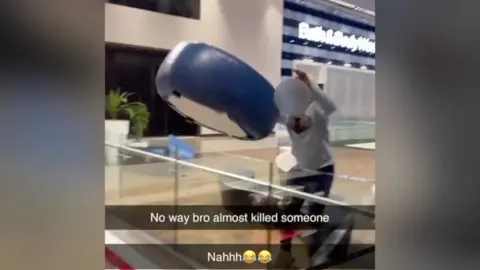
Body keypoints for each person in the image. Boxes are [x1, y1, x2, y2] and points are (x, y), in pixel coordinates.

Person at [271, 69, 337, 269]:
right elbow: (270, 115)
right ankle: (285, 252)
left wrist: (310, 83)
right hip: (299, 168)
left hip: (323, 169)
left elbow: (330, 106)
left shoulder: (318, 110)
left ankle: (315, 254)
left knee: (317, 213)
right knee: (289, 211)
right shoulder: (288, 114)